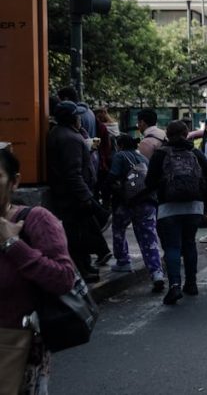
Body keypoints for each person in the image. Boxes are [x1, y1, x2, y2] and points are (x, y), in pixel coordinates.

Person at [0, 149, 77, 394]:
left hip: (15, 350)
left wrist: (13, 245)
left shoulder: (36, 220)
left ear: (14, 181)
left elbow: (64, 278)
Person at [145, 120, 207, 305]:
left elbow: (149, 182)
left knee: (172, 246)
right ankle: (191, 283)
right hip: (194, 207)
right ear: (186, 133)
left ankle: (174, 286)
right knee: (189, 243)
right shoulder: (196, 153)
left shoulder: (160, 154)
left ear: (167, 134)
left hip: (168, 207)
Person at [46, 101, 108, 282]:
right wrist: (86, 197)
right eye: (77, 115)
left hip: (71, 194)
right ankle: (81, 270)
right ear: (72, 118)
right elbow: (73, 173)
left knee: (81, 232)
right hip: (73, 197)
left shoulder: (62, 133)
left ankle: (85, 266)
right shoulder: (69, 138)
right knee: (76, 236)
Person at [107, 134, 165, 293]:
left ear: (119, 145)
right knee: (149, 237)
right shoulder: (143, 158)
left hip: (126, 203)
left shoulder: (120, 156)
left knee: (118, 229)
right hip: (147, 202)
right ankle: (156, 272)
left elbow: (112, 177)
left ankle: (123, 260)